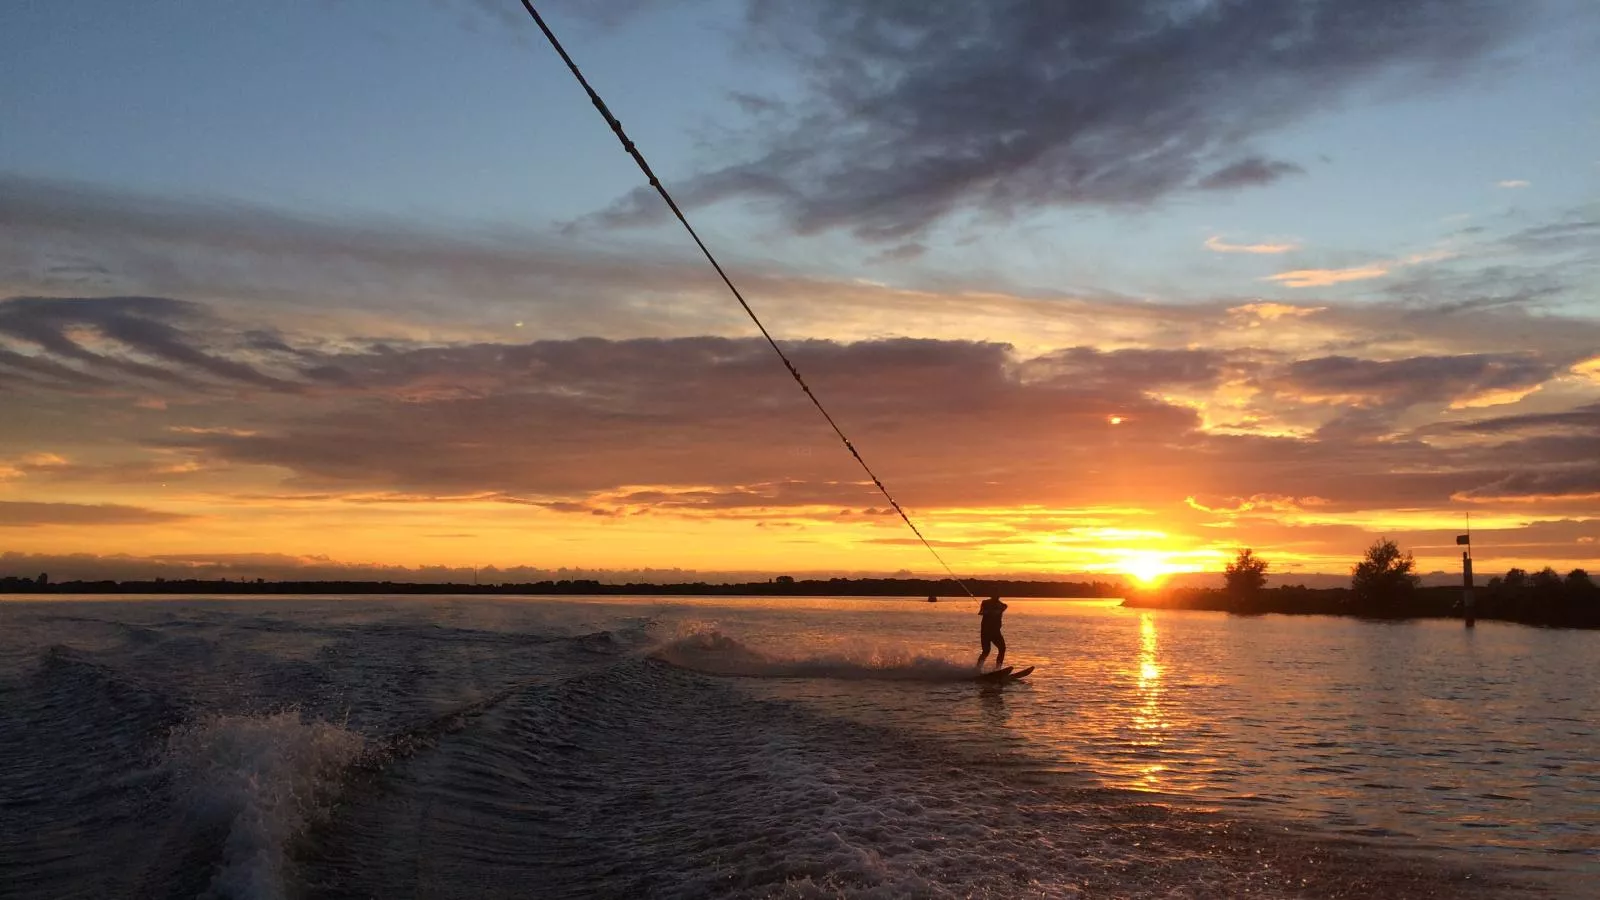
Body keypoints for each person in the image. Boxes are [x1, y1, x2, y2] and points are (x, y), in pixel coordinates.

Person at [976, 595, 1007, 670]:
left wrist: (993, 611)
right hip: (985, 631)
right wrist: (986, 612)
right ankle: (977, 669)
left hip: (996, 632)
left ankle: (998, 669)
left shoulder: (1003, 605)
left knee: (1002, 648)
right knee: (986, 651)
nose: (996, 596)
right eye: (994, 594)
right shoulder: (985, 603)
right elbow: (981, 612)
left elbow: (1001, 609)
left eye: (997, 594)